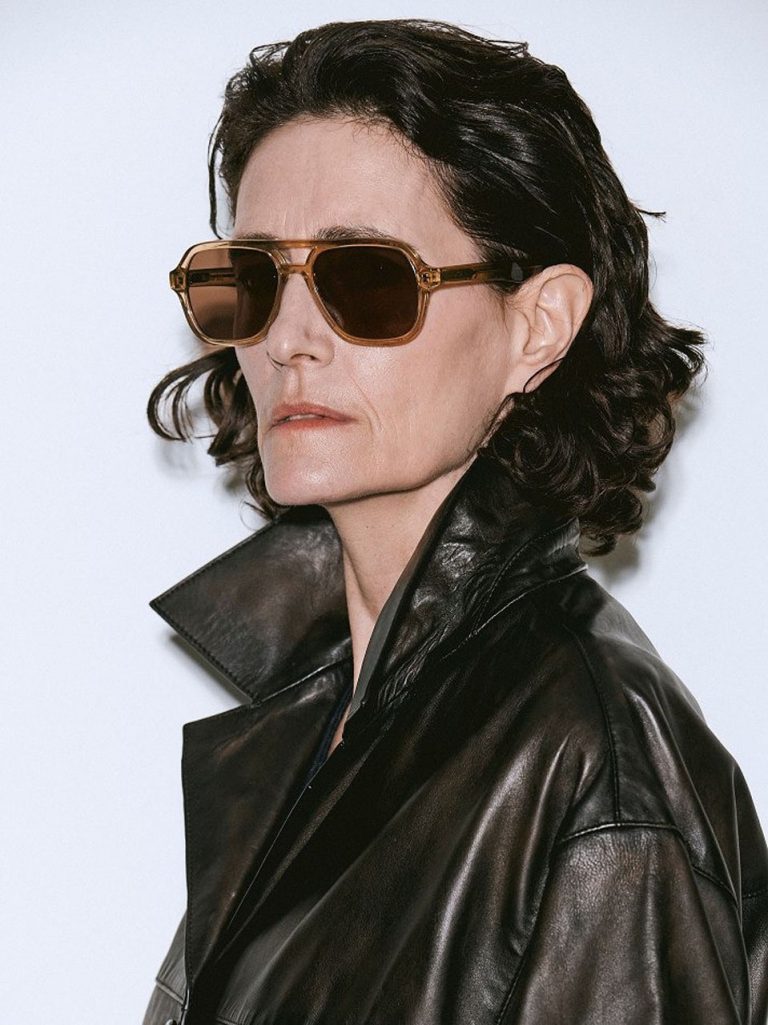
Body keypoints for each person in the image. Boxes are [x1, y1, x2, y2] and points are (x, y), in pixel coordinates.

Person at [141, 17, 768, 1025]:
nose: (289, 339)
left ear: (538, 326)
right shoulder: (328, 718)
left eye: (365, 279)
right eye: (252, 279)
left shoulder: (594, 766)